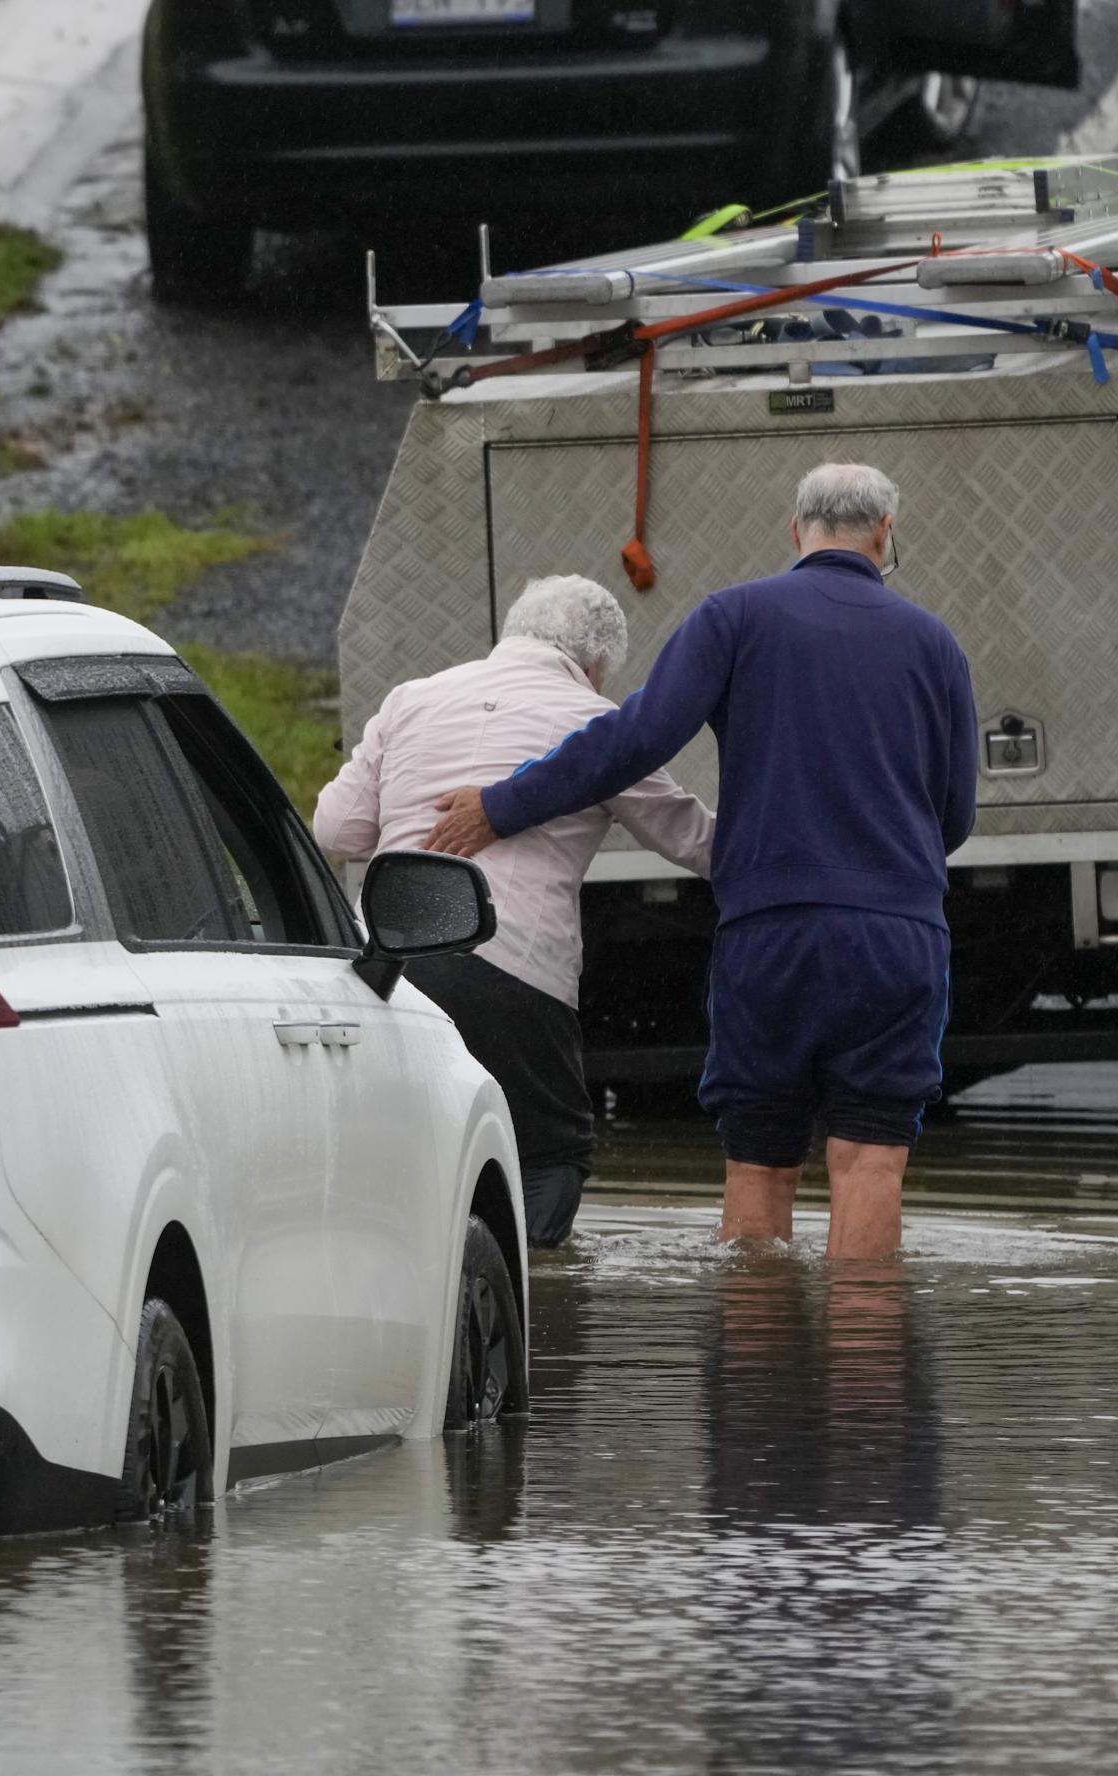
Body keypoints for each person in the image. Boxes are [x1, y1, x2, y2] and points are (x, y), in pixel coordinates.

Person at [425, 464, 975, 1261]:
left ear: (797, 531)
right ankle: (868, 1372)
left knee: (760, 1159)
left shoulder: (735, 618)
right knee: (870, 1158)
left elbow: (634, 739)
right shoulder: (937, 646)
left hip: (770, 935)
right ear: (886, 533)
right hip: (897, 940)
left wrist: (502, 805)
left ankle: (760, 1368)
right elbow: (953, 816)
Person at [316, 574, 714, 1247]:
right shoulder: (598, 723)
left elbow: (333, 830)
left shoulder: (412, 698)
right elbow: (694, 842)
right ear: (595, 667)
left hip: (384, 964)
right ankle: (535, 1303)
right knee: (549, 1152)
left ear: (513, 633)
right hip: (513, 965)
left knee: (403, 1147)